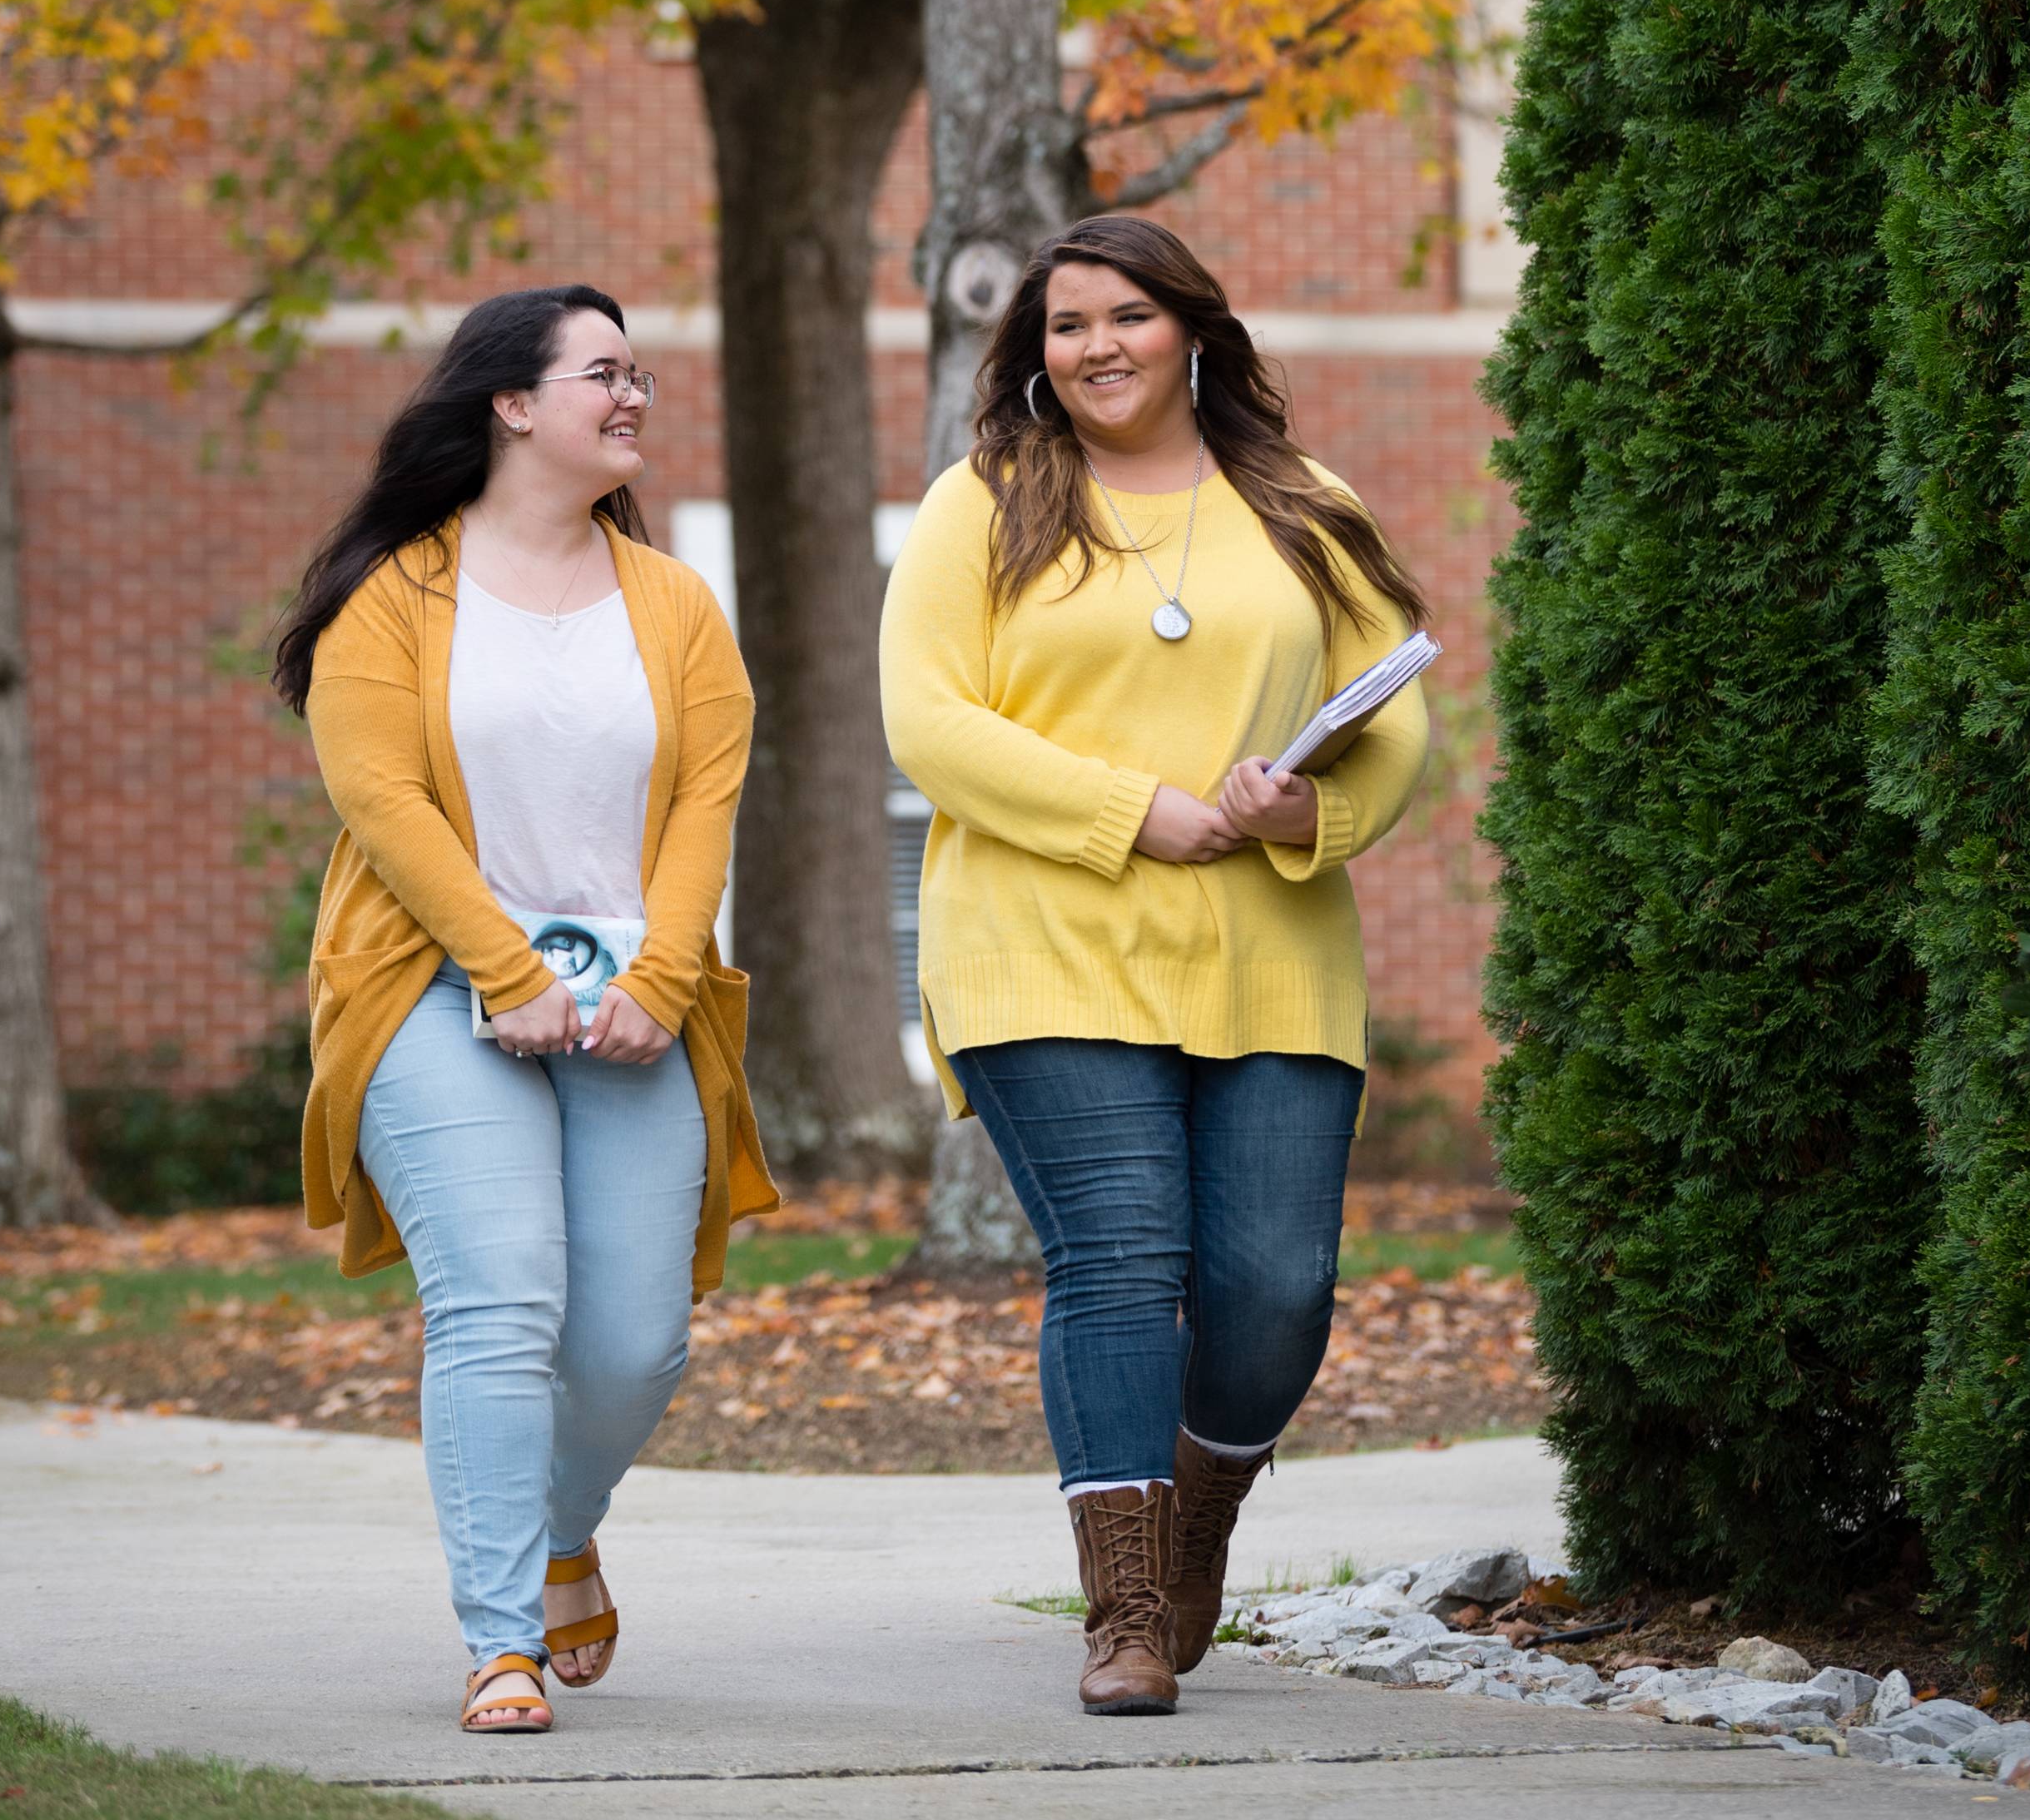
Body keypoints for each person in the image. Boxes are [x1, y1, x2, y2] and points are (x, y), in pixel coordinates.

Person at [880, 215, 1430, 1718]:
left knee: (1276, 1290)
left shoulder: (1302, 503)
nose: (1097, 346)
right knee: (1120, 1260)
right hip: (1043, 944)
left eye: (1126, 315)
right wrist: (1136, 813)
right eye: (1067, 325)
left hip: (1270, 952)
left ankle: (1202, 1514)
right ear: (1034, 352)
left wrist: (1314, 807)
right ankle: (1123, 1607)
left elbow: (1399, 717)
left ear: (1193, 328)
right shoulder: (982, 503)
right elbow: (930, 721)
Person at [275, 285, 774, 1736]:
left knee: (634, 1342)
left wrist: (660, 982)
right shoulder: (397, 594)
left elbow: (705, 805)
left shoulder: (674, 602)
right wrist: (508, 970)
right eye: (603, 373)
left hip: (633, 999)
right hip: (433, 989)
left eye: (642, 376)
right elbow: (382, 800)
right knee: (498, 1305)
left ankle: (563, 1529)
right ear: (511, 402)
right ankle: (500, 1639)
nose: (635, 397)